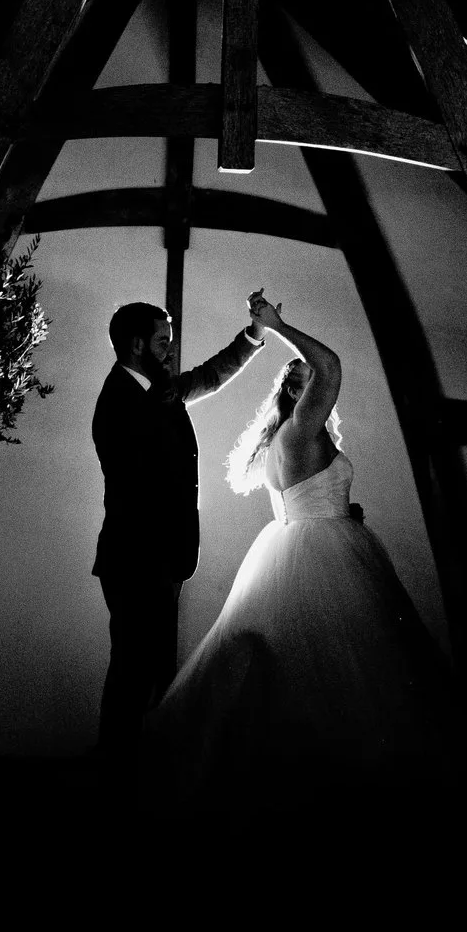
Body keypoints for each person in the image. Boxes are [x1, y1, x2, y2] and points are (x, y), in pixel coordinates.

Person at [139, 292, 456, 836]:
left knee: (301, 673)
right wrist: (277, 326)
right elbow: (331, 366)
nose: (320, 389)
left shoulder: (280, 443)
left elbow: (306, 494)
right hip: (328, 550)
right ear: (294, 391)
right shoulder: (302, 430)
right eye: (305, 382)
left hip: (294, 541)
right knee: (356, 673)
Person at [89, 296, 270, 800]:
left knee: (140, 671)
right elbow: (137, 485)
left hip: (161, 560)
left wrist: (254, 335)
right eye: (163, 342)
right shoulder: (120, 401)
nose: (170, 352)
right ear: (136, 344)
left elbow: (209, 376)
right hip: (136, 560)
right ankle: (115, 781)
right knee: (132, 671)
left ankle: (125, 774)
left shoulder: (155, 387)